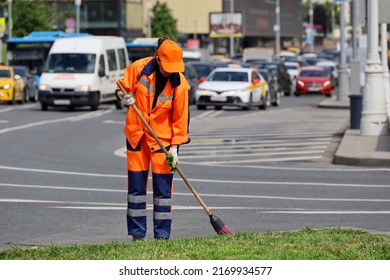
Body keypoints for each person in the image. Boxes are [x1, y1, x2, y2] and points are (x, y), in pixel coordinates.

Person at [116, 36, 190, 241]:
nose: (171, 71)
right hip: (137, 137)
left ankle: (162, 236)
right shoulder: (138, 69)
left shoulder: (180, 85)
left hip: (163, 144)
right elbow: (121, 88)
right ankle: (137, 235)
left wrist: (175, 149)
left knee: (163, 193)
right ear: (158, 59)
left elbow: (180, 119)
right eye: (167, 66)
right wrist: (124, 97)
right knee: (136, 189)